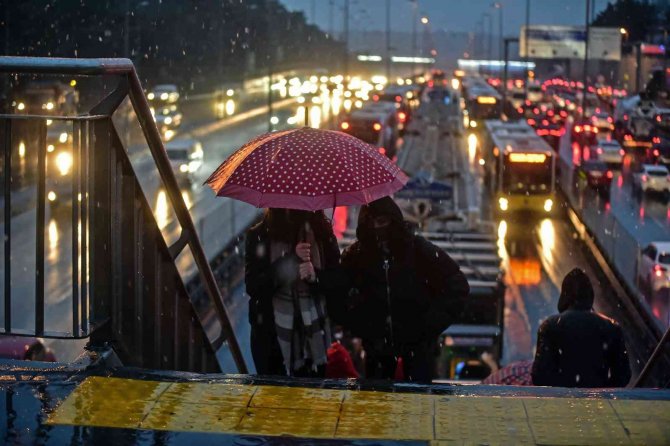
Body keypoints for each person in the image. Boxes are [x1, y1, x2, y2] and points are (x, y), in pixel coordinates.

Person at [326, 196, 469, 382]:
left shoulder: (417, 249)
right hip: (378, 349)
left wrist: (428, 325)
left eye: (382, 221)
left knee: (414, 403)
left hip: (417, 348)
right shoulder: (357, 256)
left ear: (393, 221)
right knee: (380, 402)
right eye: (372, 223)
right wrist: (361, 325)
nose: (377, 228)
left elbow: (456, 286)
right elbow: (337, 293)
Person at [245, 208, 340, 377]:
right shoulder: (258, 235)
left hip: (312, 341)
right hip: (271, 338)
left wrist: (315, 277)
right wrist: (290, 261)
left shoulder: (322, 235)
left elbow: (338, 282)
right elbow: (253, 286)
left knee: (310, 397)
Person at [532, 268, 631, 388]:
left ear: (564, 296)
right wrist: (601, 390)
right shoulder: (611, 328)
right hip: (597, 404)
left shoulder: (550, 327)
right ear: (590, 296)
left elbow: (539, 376)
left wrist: (561, 390)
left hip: (560, 403)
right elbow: (623, 375)